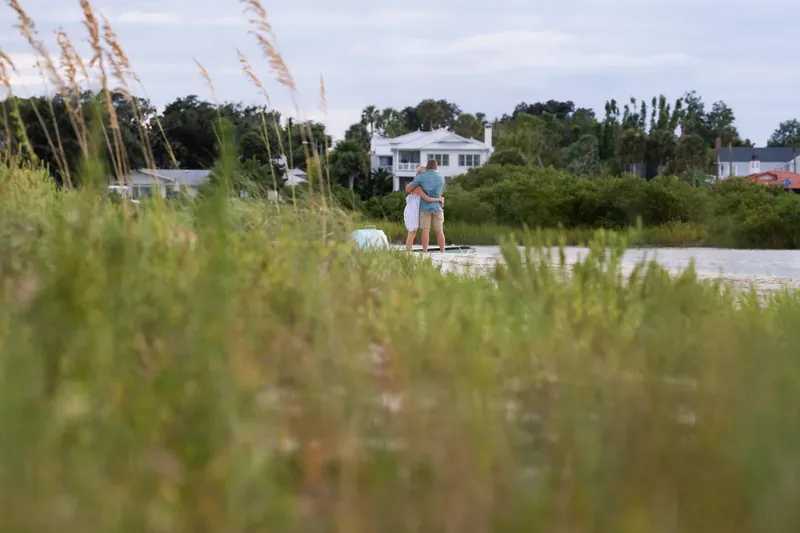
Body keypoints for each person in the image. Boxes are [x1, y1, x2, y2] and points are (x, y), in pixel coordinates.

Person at [405, 159, 445, 253]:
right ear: (436, 167)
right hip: (437, 207)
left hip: (425, 207)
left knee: (425, 231)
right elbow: (441, 192)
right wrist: (439, 198)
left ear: (427, 166)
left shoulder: (421, 177)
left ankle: (425, 251)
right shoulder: (441, 177)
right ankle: (443, 251)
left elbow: (407, 189)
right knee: (439, 231)